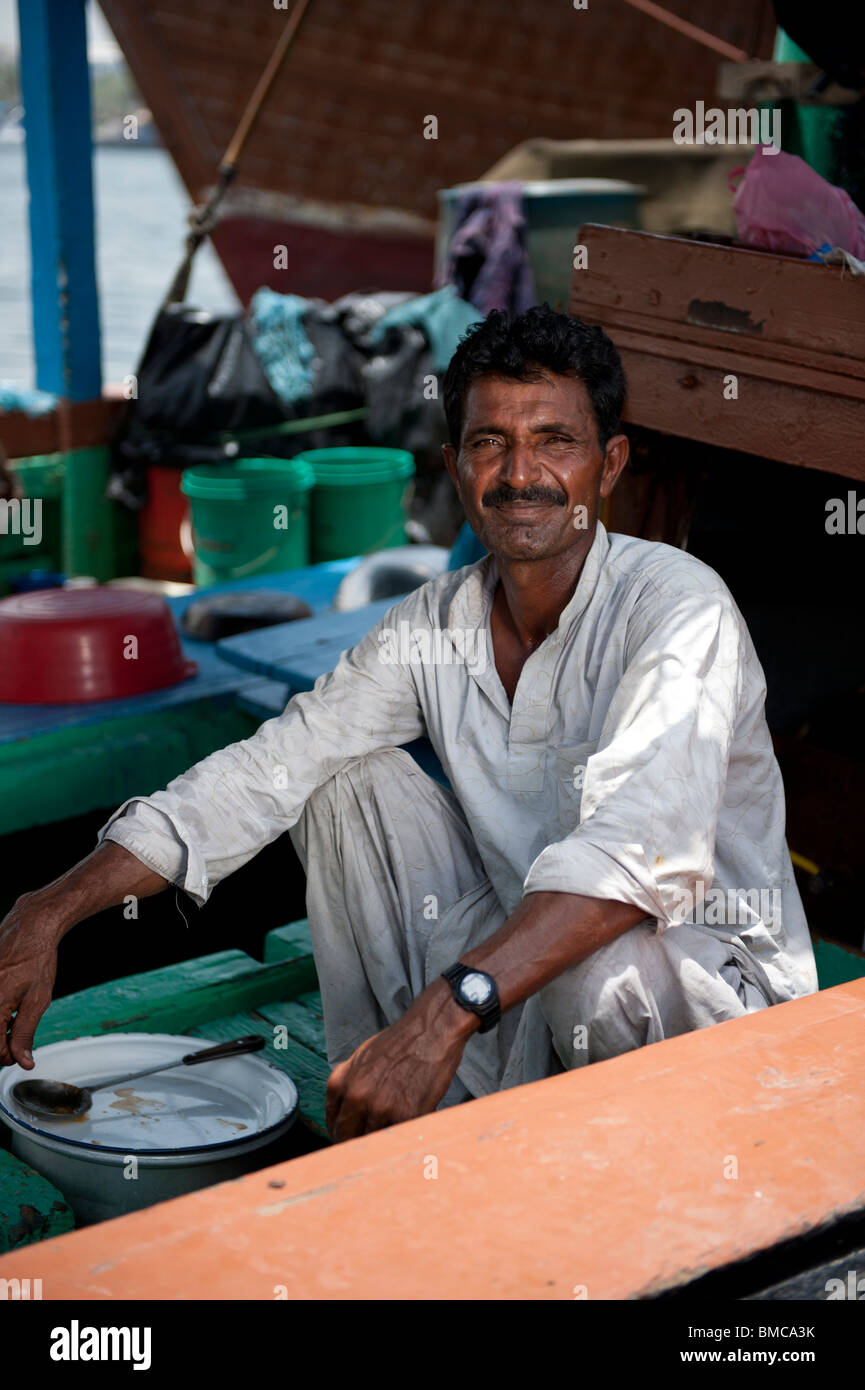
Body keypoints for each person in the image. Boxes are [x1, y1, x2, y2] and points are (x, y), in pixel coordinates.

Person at [0, 307, 817, 1142]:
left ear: (607, 465)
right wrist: (49, 910)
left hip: (708, 1009)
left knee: (596, 966)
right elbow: (270, 767)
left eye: (554, 441)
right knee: (340, 781)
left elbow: (631, 857)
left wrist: (446, 1009)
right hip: (515, 975)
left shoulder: (677, 606)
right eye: (489, 441)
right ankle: (402, 1120)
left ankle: (631, 1168)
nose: (520, 473)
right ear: (454, 469)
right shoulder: (436, 621)